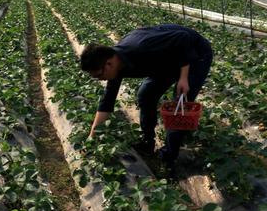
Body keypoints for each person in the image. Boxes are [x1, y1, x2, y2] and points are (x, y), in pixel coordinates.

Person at [80, 23, 213, 179]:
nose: (100, 79)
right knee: (146, 95)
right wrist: (92, 135)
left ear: (109, 64)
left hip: (195, 54)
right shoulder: (117, 65)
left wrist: (183, 78)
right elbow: (107, 101)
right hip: (165, 60)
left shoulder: (140, 48)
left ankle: (168, 158)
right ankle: (147, 141)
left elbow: (183, 39)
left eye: (98, 75)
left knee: (179, 107)